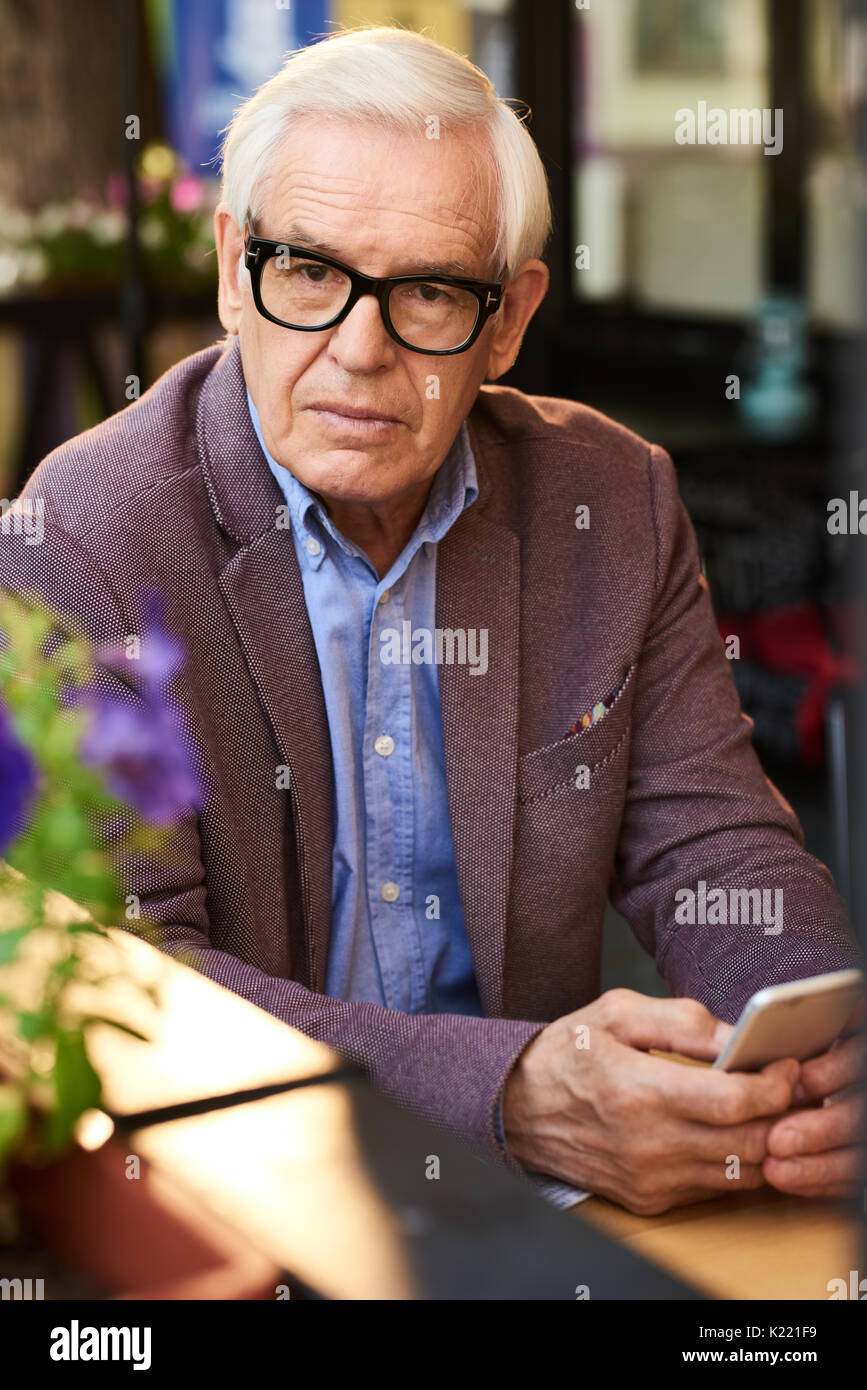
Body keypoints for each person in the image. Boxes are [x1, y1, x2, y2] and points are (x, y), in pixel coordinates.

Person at [1, 27, 862, 1213]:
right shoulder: (82, 541)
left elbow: (711, 849)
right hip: (247, 1189)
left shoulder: (608, 499)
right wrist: (508, 1092)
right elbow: (142, 981)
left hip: (561, 1204)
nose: (359, 351)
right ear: (229, 270)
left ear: (508, 320)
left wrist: (813, 1041)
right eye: (308, 271)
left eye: (428, 292)